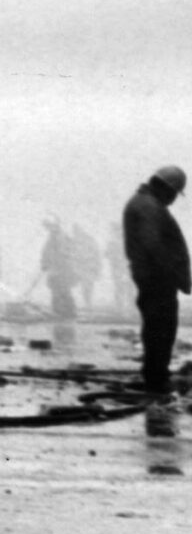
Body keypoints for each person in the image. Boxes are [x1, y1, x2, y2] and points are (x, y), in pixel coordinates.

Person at [123, 166, 189, 432]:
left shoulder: (145, 203)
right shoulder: (149, 207)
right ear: (168, 188)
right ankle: (157, 379)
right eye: (175, 194)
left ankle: (156, 375)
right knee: (161, 327)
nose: (174, 200)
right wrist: (173, 274)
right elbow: (154, 245)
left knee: (157, 327)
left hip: (153, 277)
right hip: (157, 279)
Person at [39, 216, 79, 320]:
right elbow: (48, 252)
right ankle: (62, 311)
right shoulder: (55, 237)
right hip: (58, 270)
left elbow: (63, 253)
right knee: (59, 291)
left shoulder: (60, 237)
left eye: (48, 226)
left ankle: (66, 312)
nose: (47, 229)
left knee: (62, 291)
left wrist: (50, 263)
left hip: (62, 270)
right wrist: (45, 263)